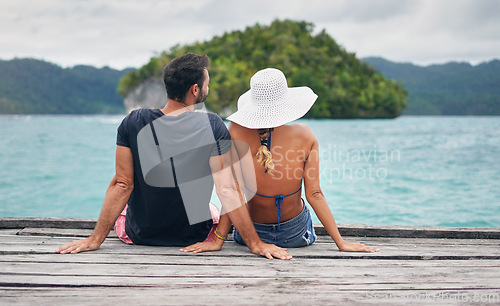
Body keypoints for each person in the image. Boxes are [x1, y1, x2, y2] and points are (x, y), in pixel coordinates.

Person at [56, 54, 292, 260]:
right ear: (195, 90)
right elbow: (228, 189)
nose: (208, 88)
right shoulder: (212, 125)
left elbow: (122, 183)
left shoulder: (133, 121)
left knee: (123, 191)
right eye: (206, 83)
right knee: (210, 205)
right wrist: (255, 243)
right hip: (192, 237)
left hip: (140, 236)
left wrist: (95, 239)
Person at [225, 68, 377, 251]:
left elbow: (233, 193)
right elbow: (314, 194)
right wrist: (341, 243)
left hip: (251, 235)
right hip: (296, 234)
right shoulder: (305, 135)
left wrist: (219, 239)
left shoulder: (234, 131)